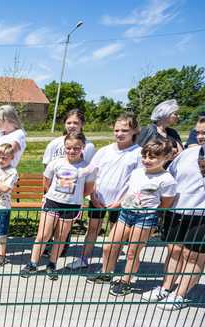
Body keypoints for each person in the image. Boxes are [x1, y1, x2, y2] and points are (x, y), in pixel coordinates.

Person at [87, 139, 176, 294]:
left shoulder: (167, 180)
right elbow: (130, 193)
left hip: (145, 217)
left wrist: (153, 214)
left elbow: (166, 203)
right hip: (126, 213)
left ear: (166, 157)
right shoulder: (137, 173)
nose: (147, 160)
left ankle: (126, 281)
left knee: (132, 251)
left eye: (153, 157)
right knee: (109, 246)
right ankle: (107, 273)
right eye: (145, 156)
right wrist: (120, 203)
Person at [66, 113, 142, 270]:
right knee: (93, 228)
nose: (119, 134)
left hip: (120, 202)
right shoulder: (104, 151)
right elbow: (91, 171)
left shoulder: (138, 153)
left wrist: (121, 202)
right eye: (116, 130)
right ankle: (83, 259)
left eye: (124, 130)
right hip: (98, 199)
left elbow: (137, 182)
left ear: (134, 131)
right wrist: (92, 194)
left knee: (116, 235)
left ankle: (109, 264)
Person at [21, 132, 96, 280]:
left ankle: (52, 264)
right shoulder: (56, 163)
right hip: (52, 202)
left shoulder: (88, 168)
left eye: (76, 148)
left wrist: (75, 198)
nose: (72, 151)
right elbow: (46, 181)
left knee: (60, 236)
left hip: (71, 206)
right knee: (43, 234)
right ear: (64, 147)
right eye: (69, 148)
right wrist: (53, 195)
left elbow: (88, 189)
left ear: (83, 148)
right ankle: (33, 263)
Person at [144, 137, 205, 310]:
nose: (200, 136)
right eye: (199, 132)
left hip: (202, 215)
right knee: (174, 250)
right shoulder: (187, 154)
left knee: (193, 255)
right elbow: (169, 176)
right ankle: (165, 287)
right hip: (176, 211)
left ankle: (180, 294)